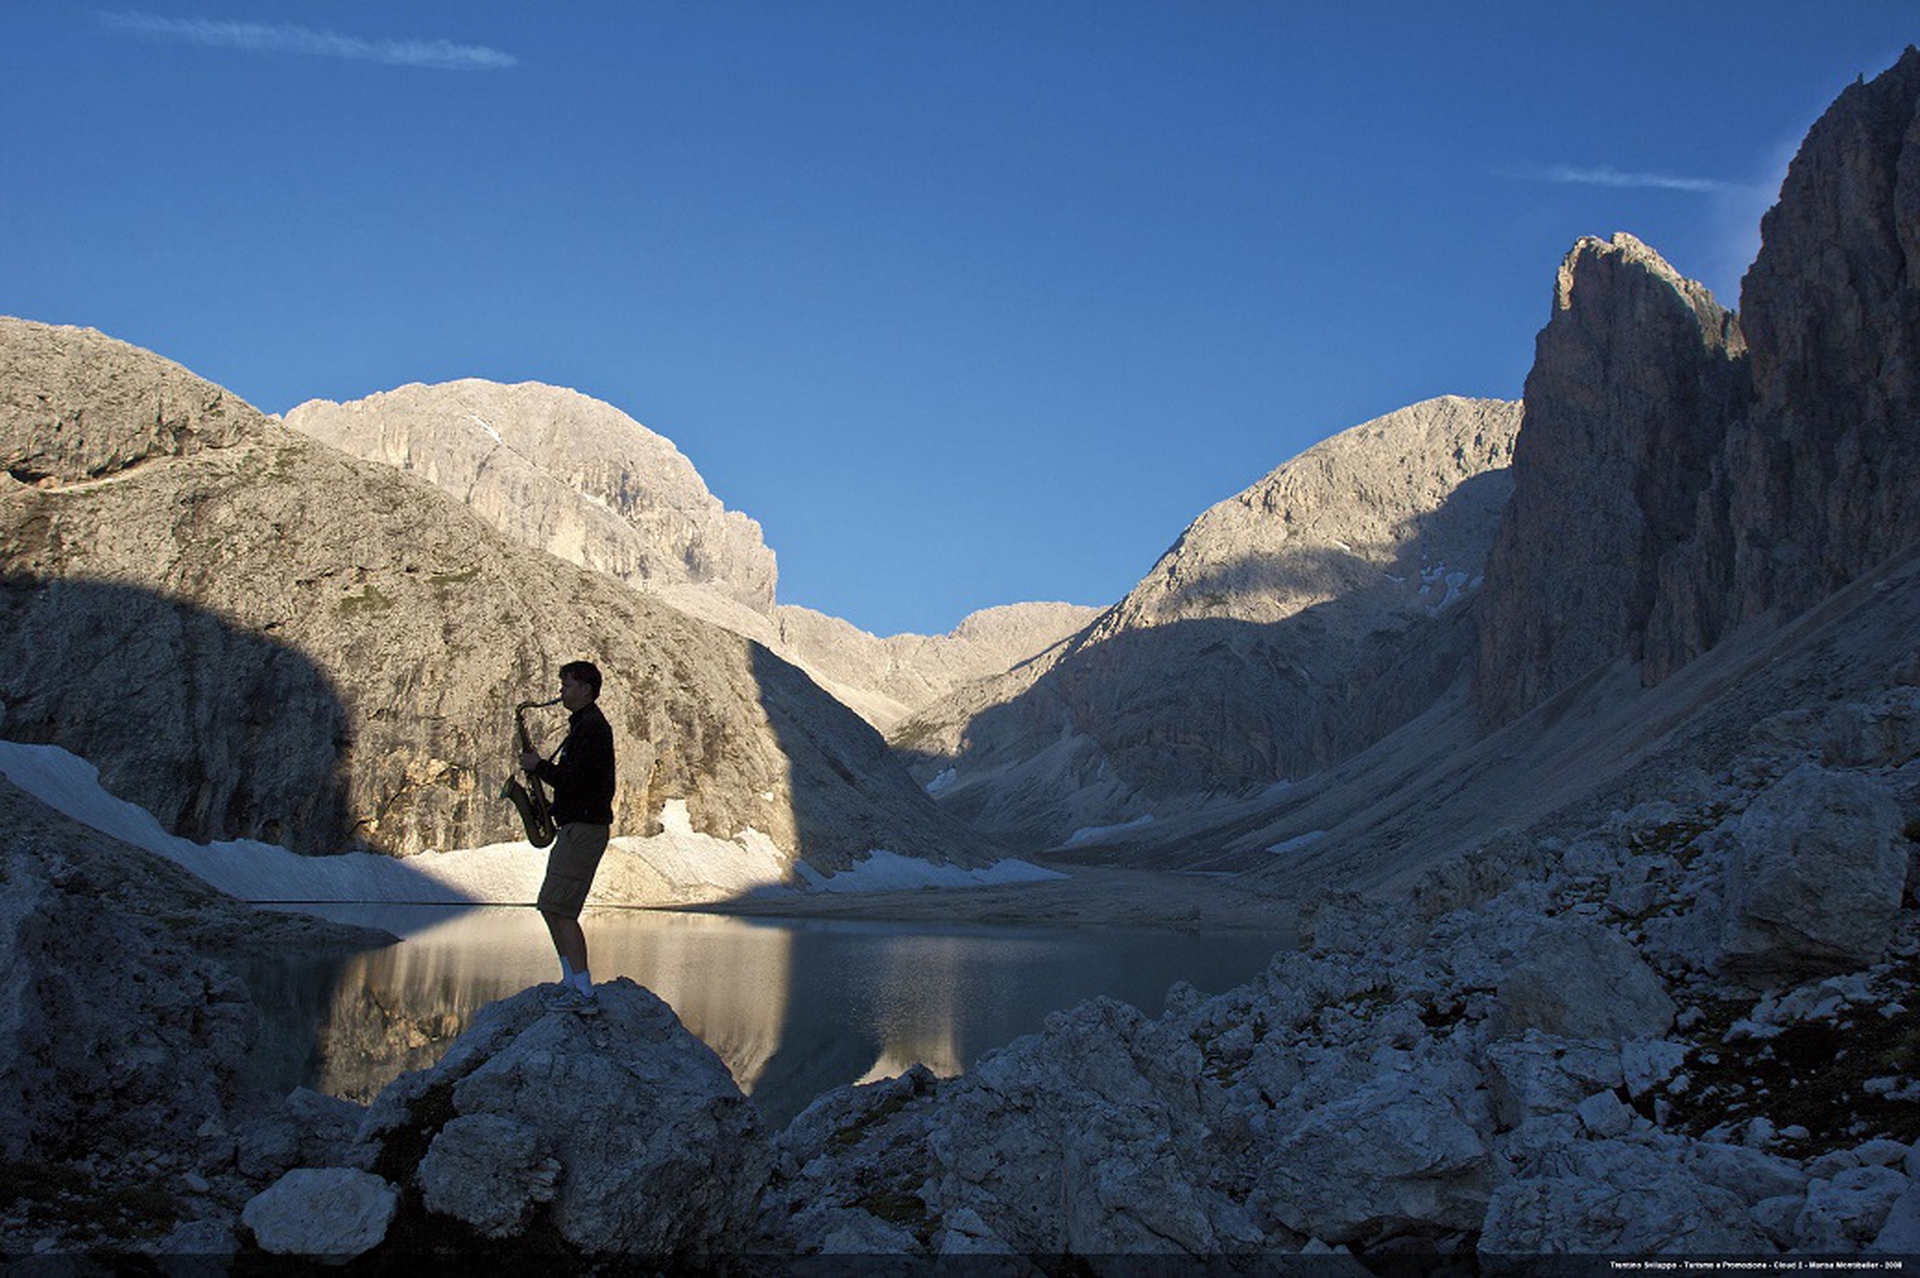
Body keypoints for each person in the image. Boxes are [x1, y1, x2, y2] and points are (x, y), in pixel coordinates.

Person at [520, 660, 615, 1015]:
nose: (561, 692)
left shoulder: (591, 728)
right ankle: (570, 981)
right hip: (576, 826)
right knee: (550, 905)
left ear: (586, 689)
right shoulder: (583, 726)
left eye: (567, 685)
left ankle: (585, 993)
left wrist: (539, 767)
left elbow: (575, 780)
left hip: (585, 828)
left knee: (562, 909)